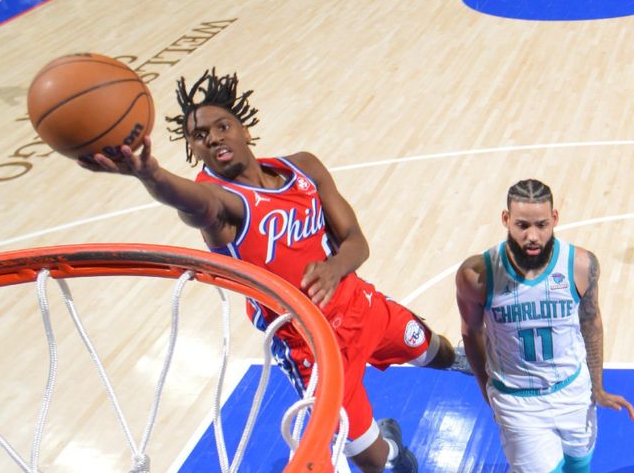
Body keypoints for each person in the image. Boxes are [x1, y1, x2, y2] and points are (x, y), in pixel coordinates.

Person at [79, 69, 467, 473]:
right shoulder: (219, 203)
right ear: (194, 149)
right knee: (373, 462)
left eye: (222, 126)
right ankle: (392, 449)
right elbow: (190, 200)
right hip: (309, 344)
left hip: (357, 304)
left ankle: (465, 361)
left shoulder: (303, 168)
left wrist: (335, 268)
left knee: (430, 347)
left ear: (244, 129)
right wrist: (150, 175)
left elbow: (356, 240)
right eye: (200, 136)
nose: (213, 138)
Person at [455, 179, 634, 473]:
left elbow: (591, 323)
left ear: (554, 219)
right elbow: (471, 332)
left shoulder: (581, 265)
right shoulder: (477, 276)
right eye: (522, 225)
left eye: (541, 225)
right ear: (506, 220)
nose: (532, 236)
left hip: (573, 389)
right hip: (518, 401)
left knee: (579, 465)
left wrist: (597, 387)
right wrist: (487, 388)